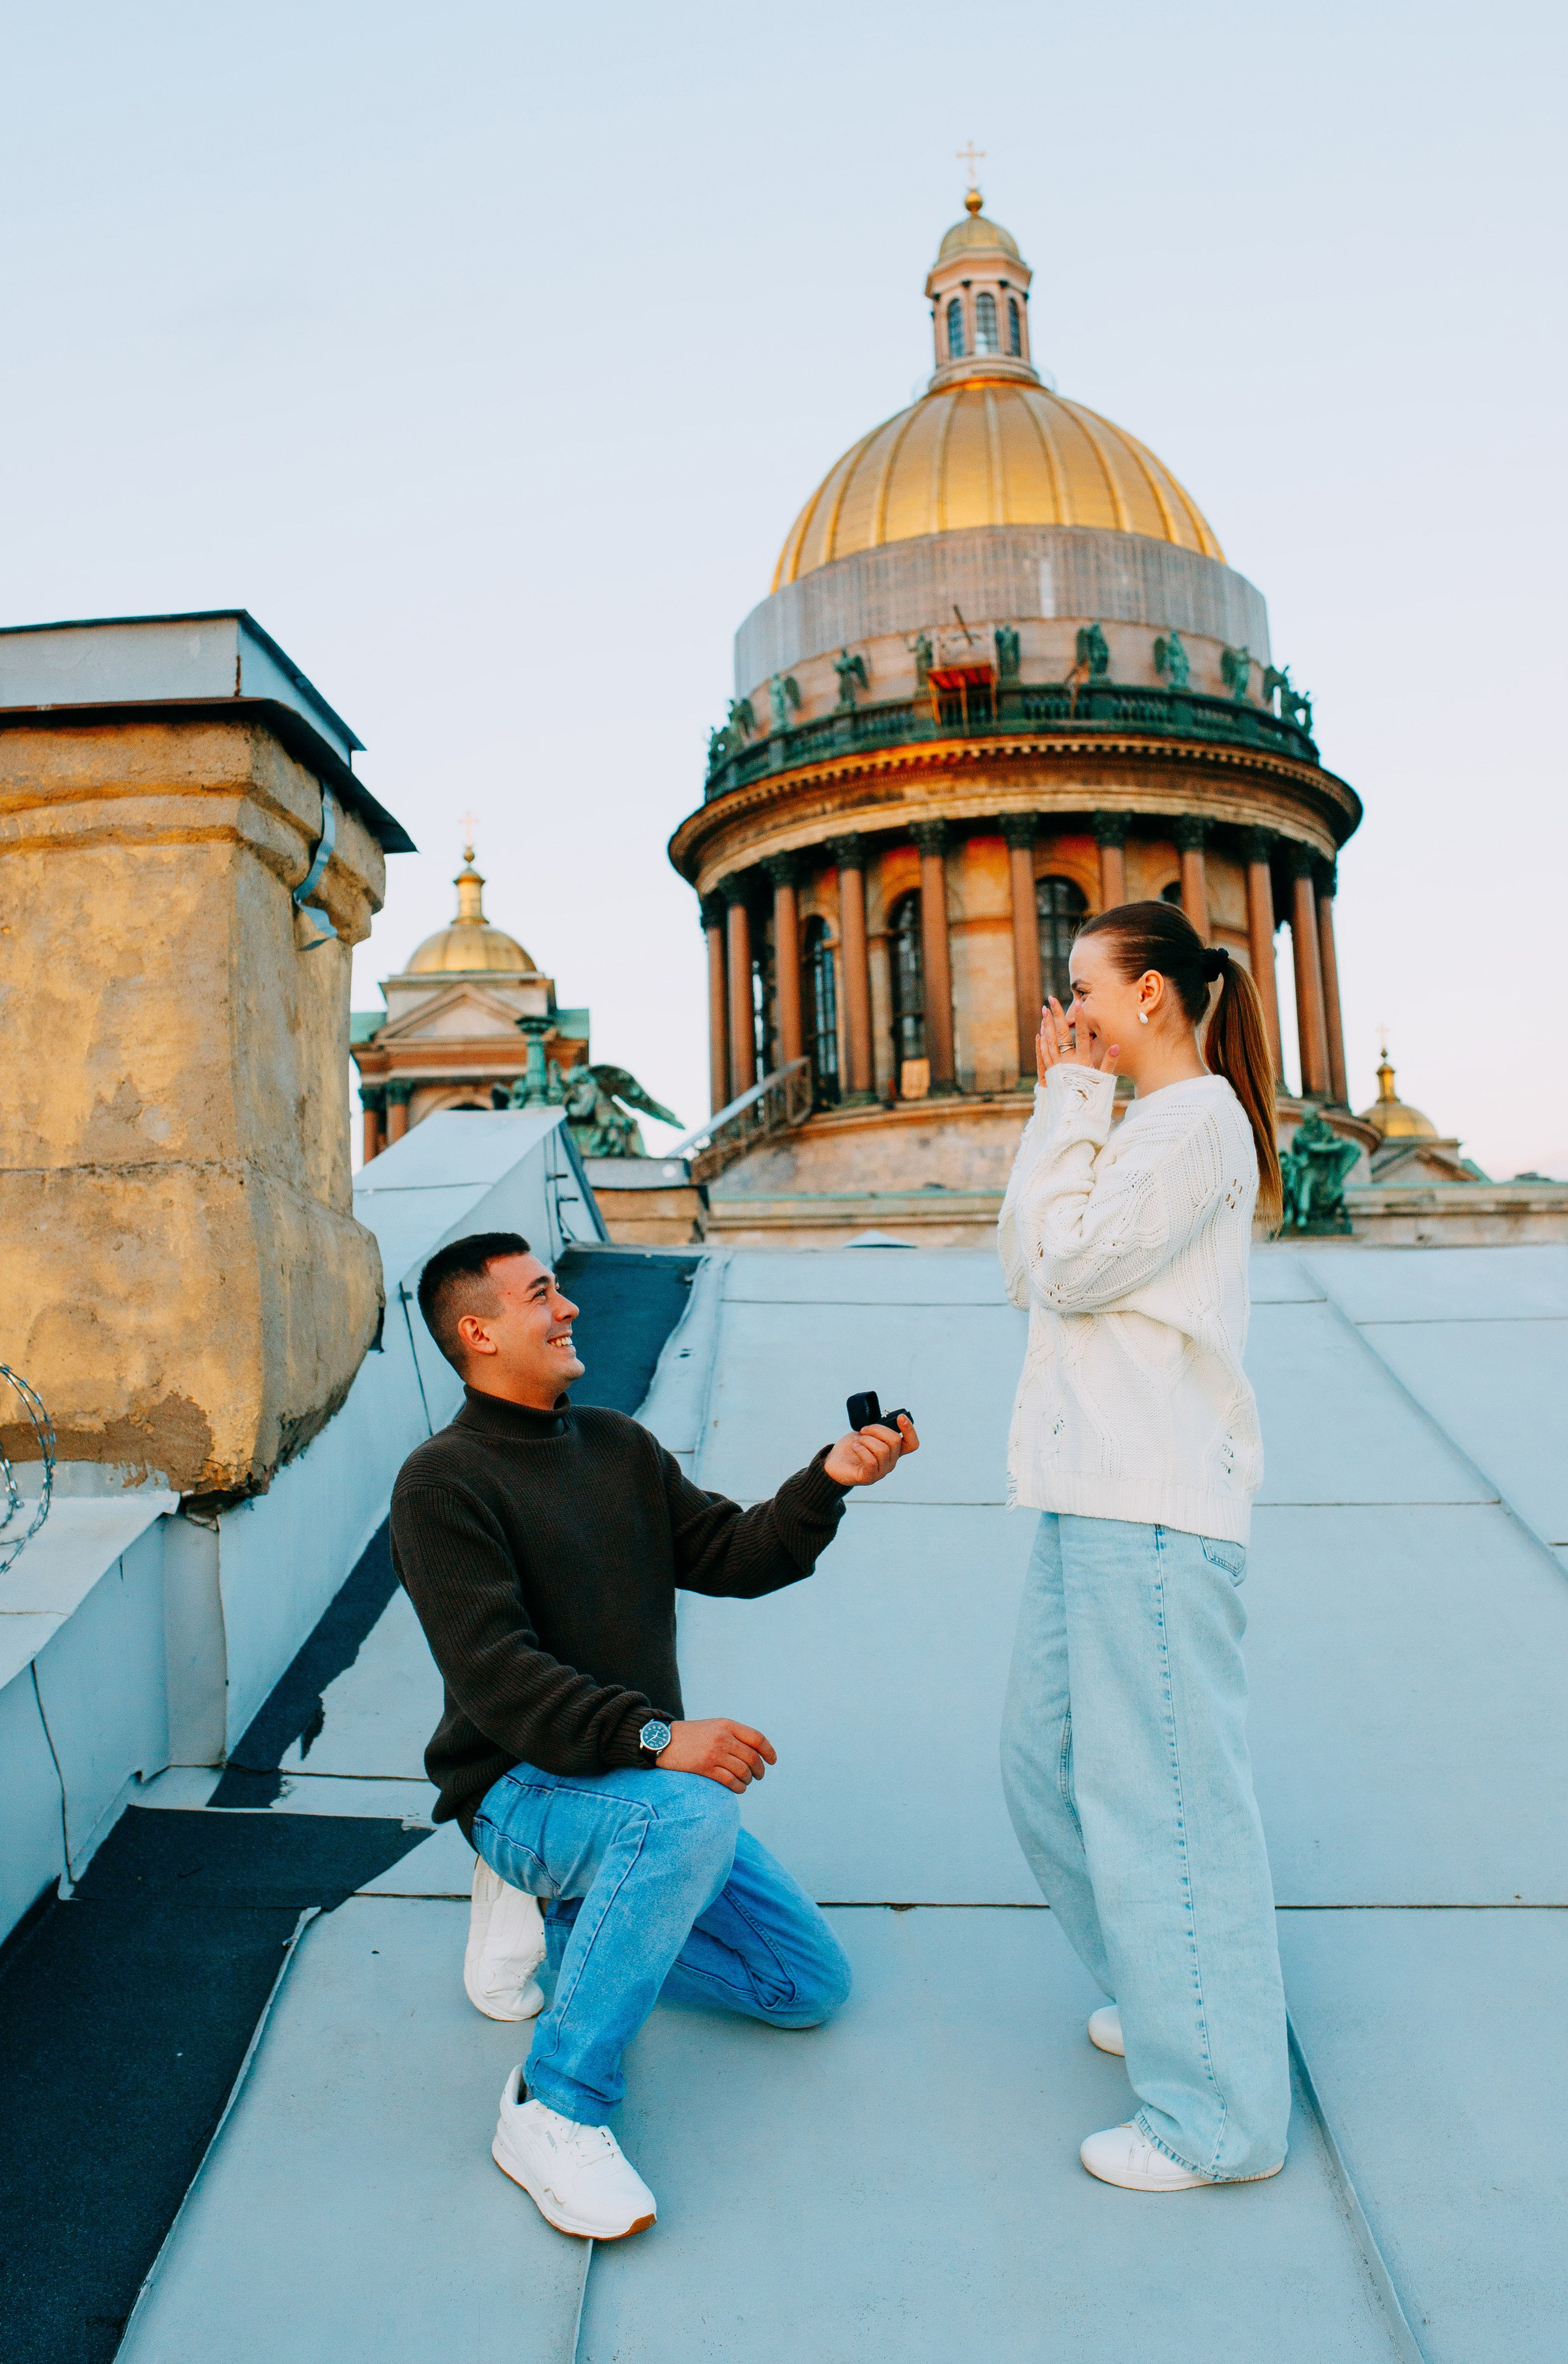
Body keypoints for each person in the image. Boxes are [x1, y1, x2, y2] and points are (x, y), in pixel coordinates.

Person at [390, 1231, 919, 2240]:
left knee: (805, 1986)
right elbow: (493, 1672)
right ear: (479, 1333)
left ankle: (565, 1922)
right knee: (687, 1811)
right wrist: (651, 1735)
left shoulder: (617, 1447)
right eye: (542, 1294)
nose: (568, 1307)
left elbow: (737, 1551)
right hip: (518, 1786)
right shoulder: (441, 1482)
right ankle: (555, 2108)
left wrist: (833, 1478)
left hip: (623, 1784)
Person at [997, 900, 1290, 2193]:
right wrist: (1068, 1101)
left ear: (1152, 998)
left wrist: (1068, 1090)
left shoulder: (1189, 1126)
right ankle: (1169, 1991)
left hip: (1153, 1508)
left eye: (1083, 989)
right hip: (1088, 1497)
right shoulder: (1132, 1125)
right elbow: (1028, 1262)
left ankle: (1214, 2118)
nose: (1068, 1012)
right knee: (1044, 1764)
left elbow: (1062, 1273)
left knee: (1164, 1808)